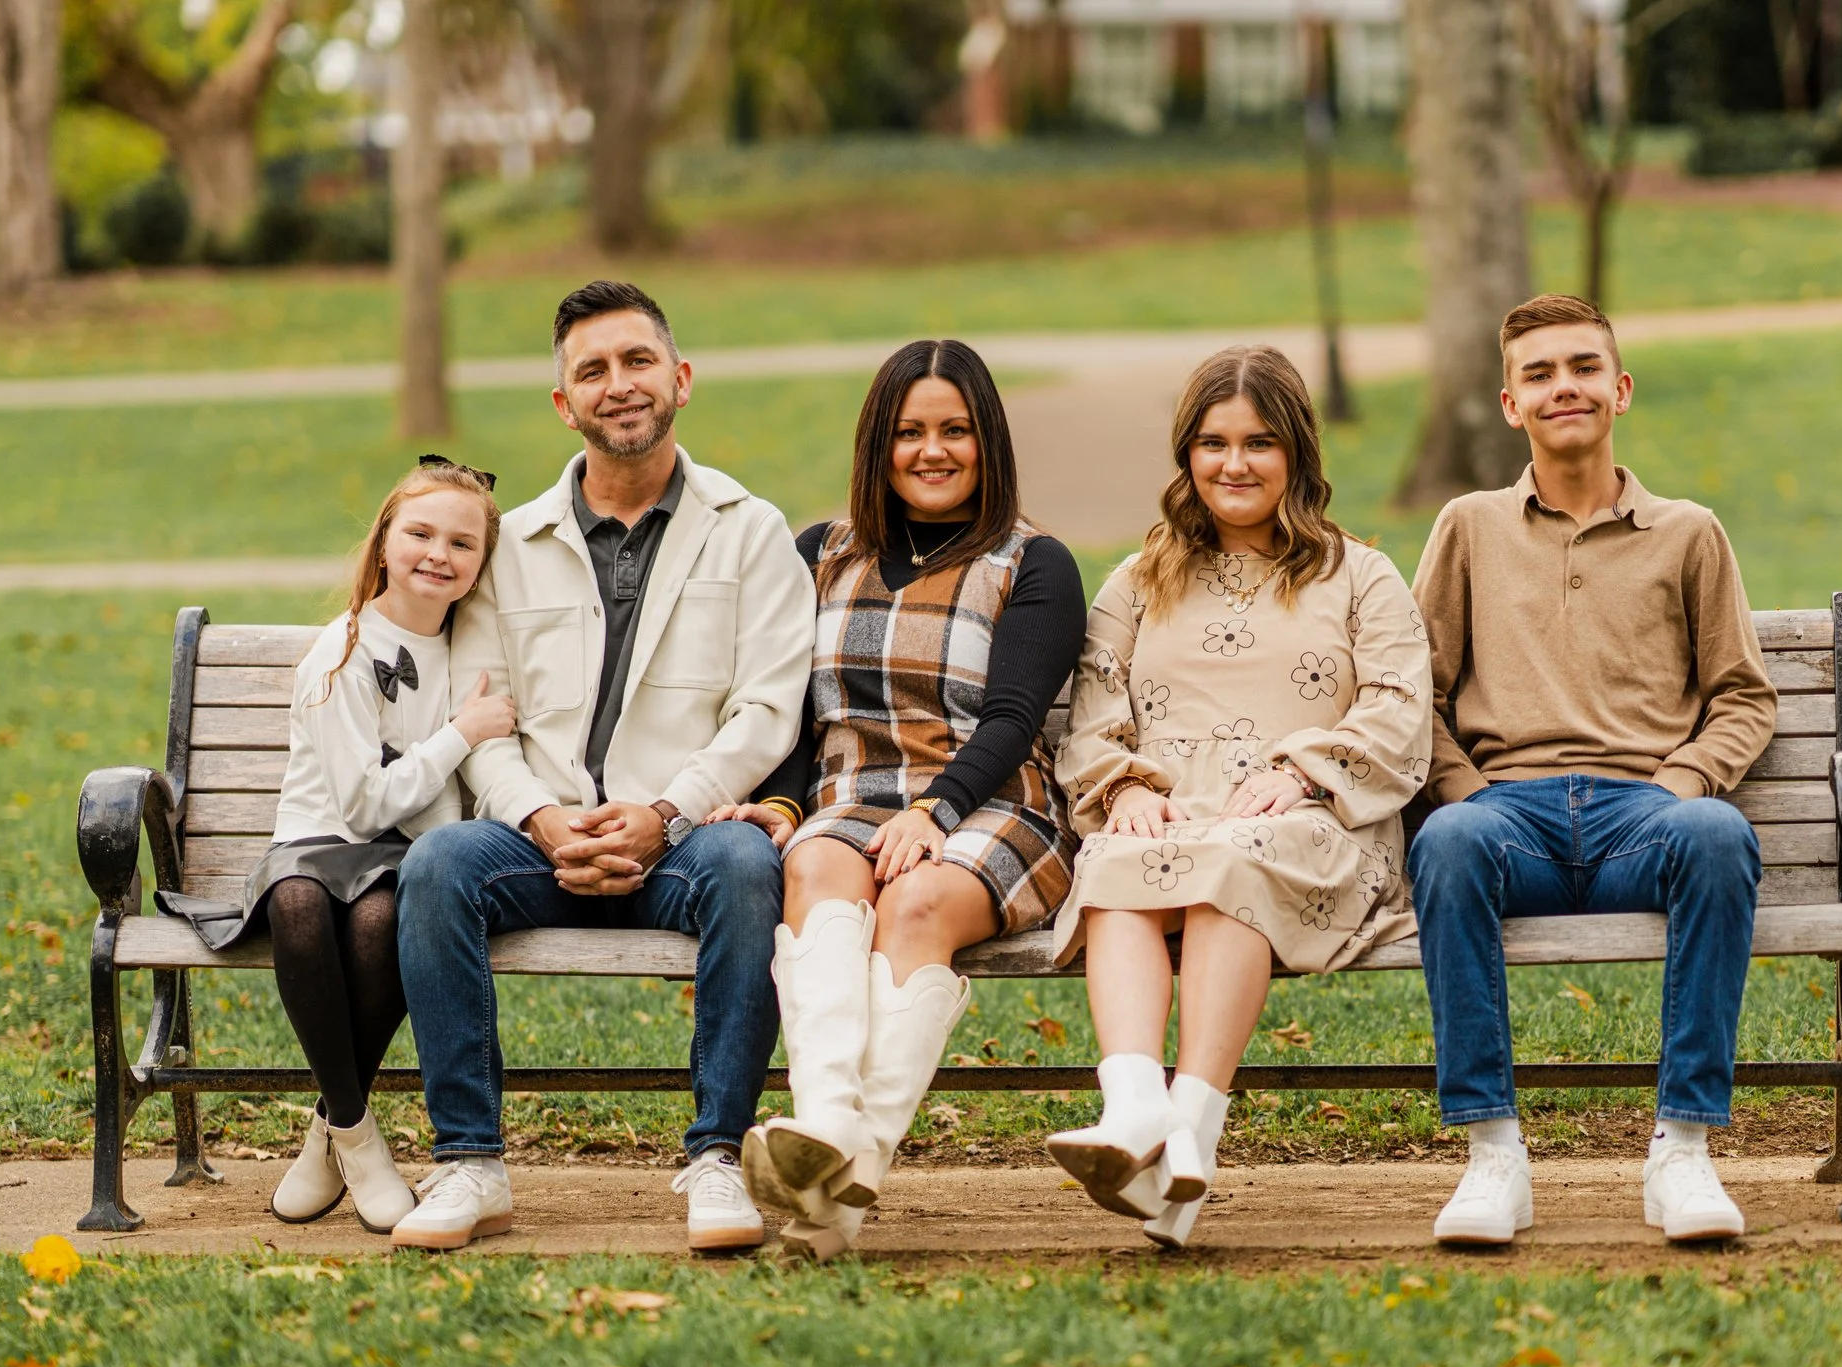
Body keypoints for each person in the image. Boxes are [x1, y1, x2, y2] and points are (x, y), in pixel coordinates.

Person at [392, 280, 814, 1253]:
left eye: (637, 361)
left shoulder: (750, 529)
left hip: (684, 839)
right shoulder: (509, 543)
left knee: (749, 866)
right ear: (564, 403)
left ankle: (717, 1155)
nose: (618, 384)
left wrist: (667, 813)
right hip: (540, 839)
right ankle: (470, 1161)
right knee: (438, 865)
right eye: (592, 370)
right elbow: (481, 720)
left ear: (681, 378)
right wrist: (541, 820)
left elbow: (767, 709)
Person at [1407, 292, 1777, 1248]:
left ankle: (1682, 1148)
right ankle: (1493, 1154)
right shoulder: (1468, 527)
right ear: (1510, 404)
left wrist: (1682, 784)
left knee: (1718, 835)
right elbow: (1415, 693)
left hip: (1643, 818)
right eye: (1538, 374)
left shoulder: (1689, 532)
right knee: (1447, 841)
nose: (1562, 386)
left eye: (1582, 367)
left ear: (1621, 390)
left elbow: (1744, 695)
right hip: (1509, 818)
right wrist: (1464, 791)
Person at [1049, 345, 1432, 1249]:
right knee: (1114, 861)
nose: (1234, 464)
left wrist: (1301, 772)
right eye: (1213, 443)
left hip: (1313, 820)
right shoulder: (1138, 581)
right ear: (1187, 454)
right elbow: (1095, 710)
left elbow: (1397, 706)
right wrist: (1124, 785)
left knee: (1235, 857)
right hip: (1171, 816)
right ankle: (1135, 1108)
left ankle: (1191, 1130)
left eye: (1259, 442)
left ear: (1296, 452)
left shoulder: (1358, 574)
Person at [711, 340, 1086, 1261]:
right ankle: (831, 1125)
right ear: (878, 442)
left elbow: (1012, 719)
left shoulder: (1033, 563)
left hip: (995, 803)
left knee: (915, 902)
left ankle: (841, 1180)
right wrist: (783, 806)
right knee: (814, 866)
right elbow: (790, 709)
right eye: (910, 431)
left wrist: (935, 812)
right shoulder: (822, 553)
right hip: (849, 798)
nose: (933, 450)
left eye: (955, 429)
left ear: (987, 440)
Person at [158, 458, 514, 1232]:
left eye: (462, 543)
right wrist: (459, 733)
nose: (438, 554)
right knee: (298, 902)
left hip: (396, 855)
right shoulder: (343, 651)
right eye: (420, 533)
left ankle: (328, 1131)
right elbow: (360, 804)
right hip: (317, 843)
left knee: (387, 918)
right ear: (384, 540)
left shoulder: (469, 654)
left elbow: (435, 810)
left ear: (483, 563)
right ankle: (360, 1140)